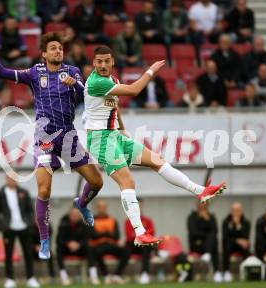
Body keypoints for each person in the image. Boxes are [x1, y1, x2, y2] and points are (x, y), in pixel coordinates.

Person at [0, 33, 104, 260]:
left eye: (60, 48)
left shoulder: (72, 72)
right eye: (53, 48)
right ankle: (44, 240)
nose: (58, 51)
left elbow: (88, 96)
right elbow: (2, 73)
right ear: (44, 53)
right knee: (44, 190)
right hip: (44, 138)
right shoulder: (35, 73)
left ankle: (81, 204)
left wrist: (76, 87)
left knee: (96, 182)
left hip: (68, 137)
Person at [84, 45, 226, 248]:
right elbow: (134, 90)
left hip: (114, 135)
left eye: (107, 60)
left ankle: (200, 191)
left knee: (157, 160)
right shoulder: (96, 82)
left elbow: (114, 106)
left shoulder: (112, 81)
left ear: (113, 61)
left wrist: (122, 130)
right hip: (100, 139)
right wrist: (150, 71)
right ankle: (139, 232)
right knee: (128, 181)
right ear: (94, 63)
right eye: (99, 61)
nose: (104, 65)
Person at [0, 175, 40, 288]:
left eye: (14, 178)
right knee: (8, 254)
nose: (12, 181)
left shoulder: (23, 192)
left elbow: (30, 209)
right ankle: (10, 279)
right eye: (9, 178)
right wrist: (1, 226)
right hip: (9, 229)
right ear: (6, 179)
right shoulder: (1, 193)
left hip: (24, 228)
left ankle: (31, 278)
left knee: (28, 253)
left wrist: (29, 223)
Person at [90, 200, 130, 285]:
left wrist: (102, 234)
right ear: (97, 208)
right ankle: (106, 275)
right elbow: (92, 235)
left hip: (111, 244)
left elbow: (116, 236)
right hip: (98, 245)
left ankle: (117, 275)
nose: (102, 209)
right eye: (100, 207)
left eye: (104, 207)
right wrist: (107, 233)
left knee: (126, 251)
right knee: (97, 252)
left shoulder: (112, 220)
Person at [56, 207, 95, 286]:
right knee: (58, 249)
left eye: (77, 214)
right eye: (73, 214)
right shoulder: (63, 224)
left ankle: (93, 276)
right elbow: (59, 239)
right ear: (69, 215)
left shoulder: (84, 224)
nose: (75, 216)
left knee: (89, 248)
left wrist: (79, 244)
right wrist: (68, 243)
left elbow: (86, 238)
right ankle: (64, 277)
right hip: (67, 249)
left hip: (79, 249)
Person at [124, 198, 155, 284]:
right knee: (125, 249)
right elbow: (129, 236)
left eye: (139, 205)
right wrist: (142, 234)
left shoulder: (148, 220)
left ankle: (144, 273)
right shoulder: (128, 221)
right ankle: (119, 275)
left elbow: (151, 234)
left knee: (147, 246)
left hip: (144, 245)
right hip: (133, 246)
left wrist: (139, 234)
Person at [187, 202, 221, 282]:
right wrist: (206, 236)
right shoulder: (191, 217)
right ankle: (208, 253)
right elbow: (193, 233)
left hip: (209, 245)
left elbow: (215, 231)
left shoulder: (211, 217)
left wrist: (207, 219)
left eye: (204, 204)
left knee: (213, 239)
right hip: (197, 245)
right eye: (201, 203)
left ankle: (216, 272)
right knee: (211, 238)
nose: (202, 206)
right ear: (197, 205)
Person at [221, 202, 251, 282]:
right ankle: (226, 272)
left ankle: (246, 270)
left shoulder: (246, 222)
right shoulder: (226, 221)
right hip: (230, 245)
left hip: (241, 246)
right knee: (226, 245)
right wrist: (237, 240)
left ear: (241, 211)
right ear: (231, 211)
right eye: (234, 210)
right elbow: (226, 236)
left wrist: (238, 225)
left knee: (246, 246)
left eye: (238, 210)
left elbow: (246, 236)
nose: (235, 213)